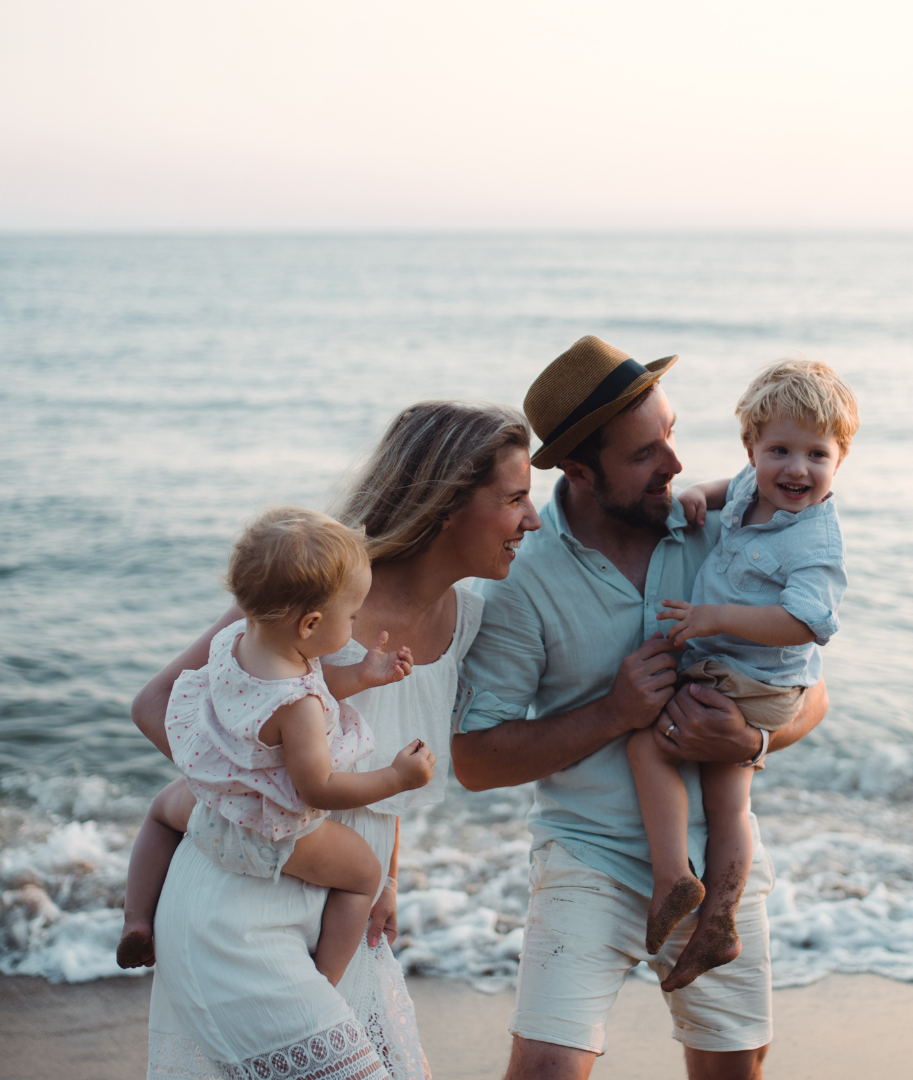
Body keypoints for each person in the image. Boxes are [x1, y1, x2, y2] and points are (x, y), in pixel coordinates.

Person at [452, 336, 829, 1080]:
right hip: (585, 856)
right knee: (545, 1071)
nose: (676, 465)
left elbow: (813, 695)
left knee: (733, 1070)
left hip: (718, 857)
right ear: (582, 472)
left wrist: (748, 740)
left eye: (673, 434)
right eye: (645, 454)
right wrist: (612, 712)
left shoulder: (726, 532)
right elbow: (475, 760)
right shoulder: (521, 575)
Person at [131, 401, 540, 1080]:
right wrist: (263, 805)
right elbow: (157, 706)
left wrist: (390, 874)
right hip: (238, 920)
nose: (531, 518)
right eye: (516, 497)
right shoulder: (313, 595)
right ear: (445, 505)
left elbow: (387, 761)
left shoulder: (465, 620)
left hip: (345, 930)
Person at [118, 506, 435, 987]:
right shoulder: (300, 706)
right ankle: (326, 980)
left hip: (211, 807)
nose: (354, 624)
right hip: (266, 835)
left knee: (161, 812)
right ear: (309, 625)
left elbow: (298, 680)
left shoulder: (235, 641)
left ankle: (136, 919)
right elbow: (319, 787)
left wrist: (363, 674)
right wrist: (397, 777)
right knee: (363, 876)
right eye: (351, 616)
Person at [628, 359, 858, 991]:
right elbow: (729, 487)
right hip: (737, 671)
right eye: (778, 450)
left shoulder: (816, 541)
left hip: (758, 680)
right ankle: (709, 914)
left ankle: (684, 885)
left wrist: (710, 617)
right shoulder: (752, 489)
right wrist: (700, 496)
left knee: (655, 749)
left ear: (840, 459)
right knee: (715, 792)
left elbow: (807, 622)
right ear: (751, 450)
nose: (797, 469)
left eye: (818, 454)